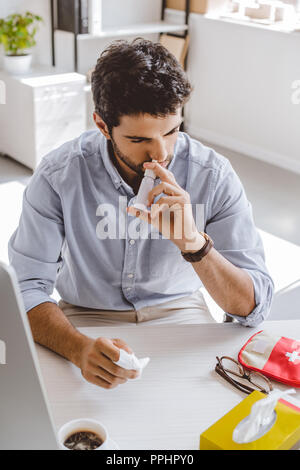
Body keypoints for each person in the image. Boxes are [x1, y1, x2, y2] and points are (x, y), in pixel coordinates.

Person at [8, 39, 274, 390]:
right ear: (103, 126)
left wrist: (194, 245)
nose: (161, 153)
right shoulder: (59, 175)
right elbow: (25, 288)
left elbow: (253, 307)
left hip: (181, 312)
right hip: (85, 317)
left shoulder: (213, 174)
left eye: (172, 131)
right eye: (139, 139)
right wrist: (77, 348)